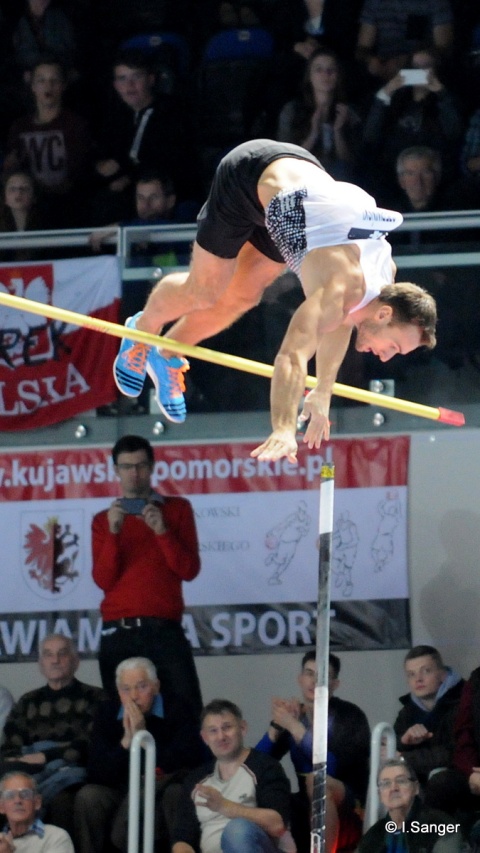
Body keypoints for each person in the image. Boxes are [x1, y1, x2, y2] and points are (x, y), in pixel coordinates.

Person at [112, 138, 437, 454]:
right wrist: (283, 428)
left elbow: (340, 323)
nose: (384, 357)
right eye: (392, 347)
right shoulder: (340, 286)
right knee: (205, 292)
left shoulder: (382, 285)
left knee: (242, 298)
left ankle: (166, 354)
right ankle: (142, 329)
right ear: (384, 315)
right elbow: (291, 356)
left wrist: (323, 390)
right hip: (251, 175)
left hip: (295, 200)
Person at [92, 434, 203, 717]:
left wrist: (162, 532)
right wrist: (114, 533)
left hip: (164, 629)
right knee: (122, 717)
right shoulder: (103, 520)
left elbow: (189, 570)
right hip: (119, 630)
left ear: (152, 467)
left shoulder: (177, 510)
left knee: (186, 712)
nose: (134, 473)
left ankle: (177, 764)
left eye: (141, 465)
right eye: (127, 467)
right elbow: (103, 580)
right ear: (116, 470)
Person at [73, 656, 206, 853]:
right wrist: (127, 741)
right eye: (126, 689)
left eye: (141, 687)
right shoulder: (107, 713)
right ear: (119, 692)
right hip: (120, 788)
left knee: (175, 793)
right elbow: (97, 772)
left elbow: (188, 759)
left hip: (161, 786)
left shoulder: (178, 708)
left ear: (156, 686)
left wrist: (144, 738)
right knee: (89, 797)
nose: (134, 696)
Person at [256, 651, 370, 853]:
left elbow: (332, 766)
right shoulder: (296, 716)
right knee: (271, 796)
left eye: (323, 676)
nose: (314, 681)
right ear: (300, 679)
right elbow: (257, 765)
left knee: (315, 780)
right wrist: (276, 726)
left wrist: (294, 726)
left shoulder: (351, 715)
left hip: (350, 800)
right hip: (306, 803)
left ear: (335, 684)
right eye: (309, 673)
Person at [0, 635, 104, 839]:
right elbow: (10, 747)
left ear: (76, 661)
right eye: (48, 655)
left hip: (74, 774)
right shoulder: (28, 701)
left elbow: (91, 744)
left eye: (62, 653)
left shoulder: (95, 697)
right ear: (40, 664)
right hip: (28, 774)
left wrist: (46, 756)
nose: (55, 660)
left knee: (62, 801)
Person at [170, 698, 292, 853]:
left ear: (243, 728)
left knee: (237, 830)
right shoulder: (196, 780)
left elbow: (277, 824)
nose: (221, 737)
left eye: (227, 727)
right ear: (205, 738)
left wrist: (223, 806)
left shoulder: (265, 766)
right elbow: (182, 839)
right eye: (213, 731)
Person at [91, 48, 192, 225]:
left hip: (162, 192)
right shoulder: (114, 118)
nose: (129, 86)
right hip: (121, 194)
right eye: (122, 79)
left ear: (151, 80)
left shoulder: (172, 113)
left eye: (136, 77)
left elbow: (171, 160)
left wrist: (128, 177)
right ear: (115, 85)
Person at [360, 46, 463, 198]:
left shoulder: (446, 99)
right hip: (395, 170)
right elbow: (371, 135)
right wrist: (387, 91)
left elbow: (454, 132)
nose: (420, 71)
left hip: (433, 171)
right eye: (415, 67)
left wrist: (441, 93)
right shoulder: (396, 101)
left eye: (426, 66)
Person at [3, 57, 93, 226]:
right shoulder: (19, 127)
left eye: (54, 81)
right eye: (41, 80)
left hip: (67, 205)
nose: (48, 86)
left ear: (63, 86)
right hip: (29, 208)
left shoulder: (75, 124)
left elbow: (80, 171)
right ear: (33, 86)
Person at [393, 645, 464, 812]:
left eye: (425, 671)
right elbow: (391, 748)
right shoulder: (407, 711)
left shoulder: (464, 702)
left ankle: (433, 835)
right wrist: (404, 741)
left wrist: (405, 758)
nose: (418, 679)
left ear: (442, 674)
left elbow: (454, 753)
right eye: (411, 674)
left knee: (439, 780)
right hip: (424, 778)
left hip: (462, 776)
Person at [276, 47, 361, 181]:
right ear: (309, 76)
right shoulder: (292, 110)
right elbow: (287, 159)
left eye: (331, 70)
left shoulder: (349, 112)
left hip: (338, 178)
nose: (325, 75)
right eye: (319, 70)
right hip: (303, 175)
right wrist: (313, 133)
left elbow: (349, 162)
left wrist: (338, 131)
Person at [358, 758, 462, 853]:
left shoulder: (441, 826)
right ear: (380, 795)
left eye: (401, 781)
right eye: (386, 784)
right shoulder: (373, 835)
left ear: (416, 788)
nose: (394, 788)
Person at [355, 0, 454, 86]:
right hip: (383, 70)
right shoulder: (375, 2)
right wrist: (370, 60)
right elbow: (362, 48)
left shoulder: (433, 2)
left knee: (422, 62)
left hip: (419, 71)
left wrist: (407, 61)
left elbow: (445, 48)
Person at [0, 770, 74, 852]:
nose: (17, 800)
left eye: (25, 794)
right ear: (1, 806)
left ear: (37, 802)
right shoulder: (1, 841)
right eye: (10, 795)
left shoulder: (56, 836)